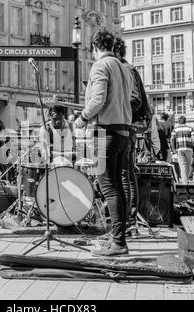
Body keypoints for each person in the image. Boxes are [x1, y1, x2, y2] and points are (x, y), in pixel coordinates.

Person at [75, 29, 133, 256]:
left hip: (105, 132)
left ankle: (118, 242)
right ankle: (118, 236)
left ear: (94, 47)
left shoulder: (100, 66)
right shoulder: (122, 67)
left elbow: (98, 99)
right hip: (122, 132)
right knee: (117, 186)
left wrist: (82, 118)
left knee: (108, 186)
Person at [113, 36, 152, 230]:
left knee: (124, 174)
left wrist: (112, 106)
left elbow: (134, 99)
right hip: (126, 125)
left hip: (127, 126)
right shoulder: (123, 69)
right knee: (124, 174)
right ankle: (128, 218)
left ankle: (129, 219)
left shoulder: (126, 69)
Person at [171, 116, 194, 183]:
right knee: (188, 164)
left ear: (178, 121)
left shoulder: (175, 129)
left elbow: (172, 139)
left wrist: (173, 149)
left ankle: (185, 182)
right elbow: (193, 140)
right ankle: (186, 180)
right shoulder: (190, 128)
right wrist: (191, 146)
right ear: (185, 121)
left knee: (182, 165)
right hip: (189, 148)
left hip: (180, 149)